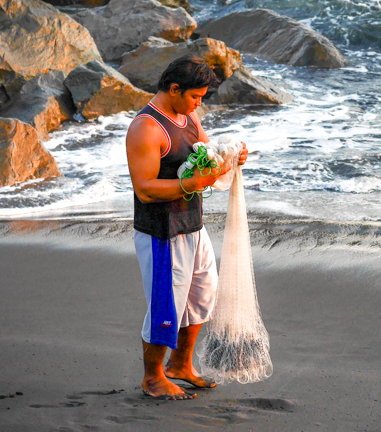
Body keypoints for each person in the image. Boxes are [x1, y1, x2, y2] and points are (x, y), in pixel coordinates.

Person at [126, 55, 248, 400]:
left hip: (192, 225)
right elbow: (145, 188)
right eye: (196, 96)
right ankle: (153, 378)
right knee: (167, 304)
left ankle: (180, 366)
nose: (199, 103)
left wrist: (231, 157)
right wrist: (191, 185)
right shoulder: (147, 127)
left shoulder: (188, 114)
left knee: (202, 296)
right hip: (161, 232)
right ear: (174, 88)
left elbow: (207, 153)